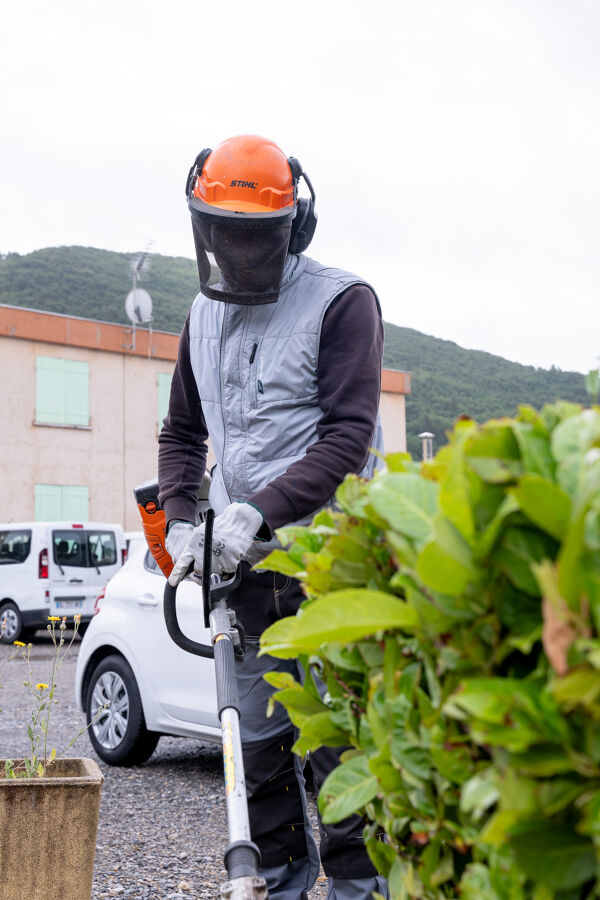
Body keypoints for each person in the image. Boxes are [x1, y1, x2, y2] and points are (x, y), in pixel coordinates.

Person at [158, 134, 387, 900]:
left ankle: (361, 891)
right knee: (253, 744)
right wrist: (185, 518)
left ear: (294, 225)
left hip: (329, 565)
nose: (241, 251)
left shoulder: (342, 302)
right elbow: (183, 435)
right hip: (242, 571)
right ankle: (279, 879)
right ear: (203, 227)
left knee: (338, 753)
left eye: (257, 234)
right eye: (224, 232)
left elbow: (349, 437)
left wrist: (257, 510)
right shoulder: (201, 312)